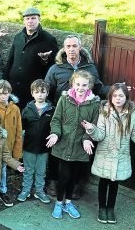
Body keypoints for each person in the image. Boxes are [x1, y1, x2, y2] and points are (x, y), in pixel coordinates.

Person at [81, 83, 135, 224]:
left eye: (121, 96)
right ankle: (102, 208)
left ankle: (110, 209)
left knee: (114, 184)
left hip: (120, 156)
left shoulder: (132, 114)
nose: (118, 99)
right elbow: (99, 135)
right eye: (115, 95)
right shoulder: (104, 112)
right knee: (103, 182)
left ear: (126, 97)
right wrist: (91, 129)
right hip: (105, 155)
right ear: (110, 97)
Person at [44, 35, 109, 198]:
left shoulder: (90, 68)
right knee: (56, 147)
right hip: (62, 113)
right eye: (68, 46)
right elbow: (48, 90)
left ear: (80, 48)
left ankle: (77, 184)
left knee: (81, 149)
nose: (71, 49)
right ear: (64, 49)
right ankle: (53, 180)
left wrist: (114, 91)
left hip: (83, 115)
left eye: (74, 46)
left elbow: (99, 88)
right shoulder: (56, 69)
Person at [46, 70, 100, 219]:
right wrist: (56, 134)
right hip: (64, 144)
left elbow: (94, 125)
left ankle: (68, 203)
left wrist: (87, 138)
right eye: (78, 84)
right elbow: (56, 120)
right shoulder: (64, 100)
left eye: (84, 85)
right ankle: (58, 203)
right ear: (73, 84)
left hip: (80, 147)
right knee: (63, 176)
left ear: (89, 85)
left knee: (74, 178)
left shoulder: (94, 104)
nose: (80, 88)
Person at [3, 7, 58, 108]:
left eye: (33, 18)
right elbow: (10, 61)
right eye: (27, 19)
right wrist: (5, 80)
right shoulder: (18, 37)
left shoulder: (49, 39)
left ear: (39, 19)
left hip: (33, 90)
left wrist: (45, 59)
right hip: (13, 87)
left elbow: (53, 66)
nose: (30, 21)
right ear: (24, 21)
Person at [0, 80, 23, 208]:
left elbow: (18, 131)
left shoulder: (15, 108)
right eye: (0, 93)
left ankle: (2, 191)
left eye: (6, 93)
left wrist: (17, 153)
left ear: (10, 93)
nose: (3, 96)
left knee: (3, 171)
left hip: (8, 148)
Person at [17, 79, 55, 204]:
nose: (40, 94)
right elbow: (22, 129)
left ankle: (39, 191)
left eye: (42, 92)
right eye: (36, 92)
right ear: (32, 93)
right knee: (28, 170)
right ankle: (26, 190)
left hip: (44, 148)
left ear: (47, 93)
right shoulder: (27, 109)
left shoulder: (52, 110)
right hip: (29, 147)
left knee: (41, 171)